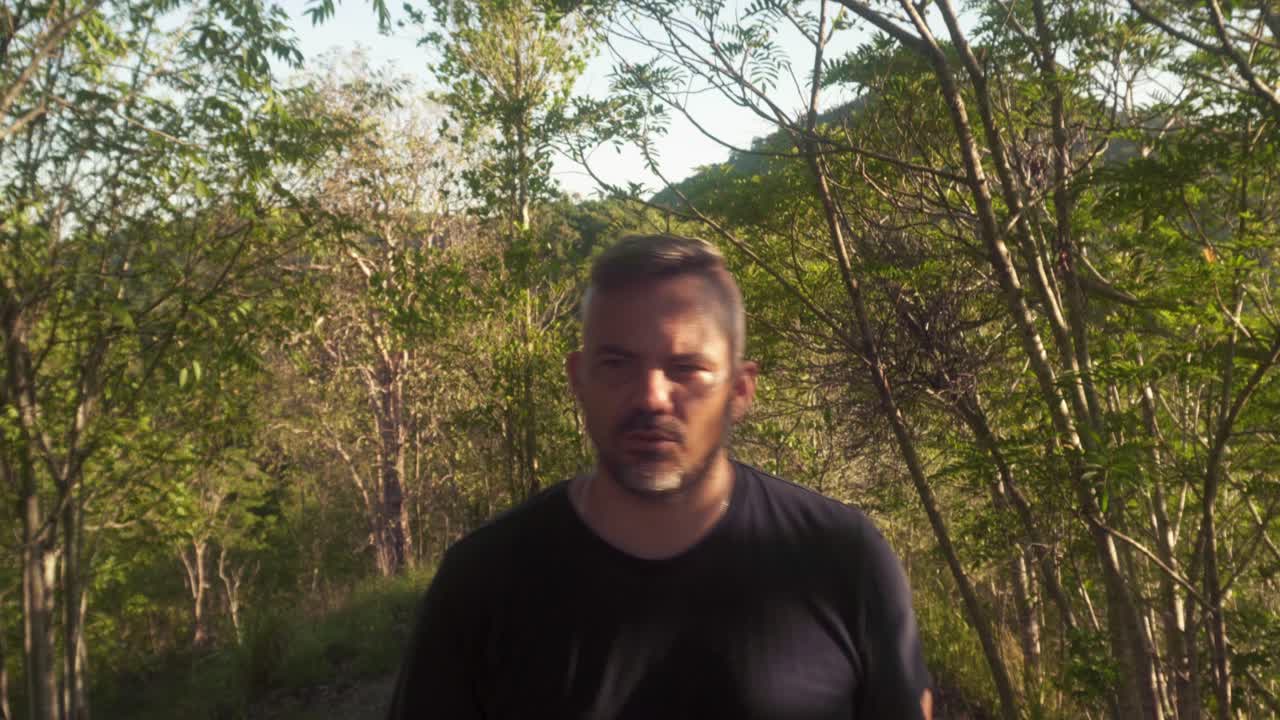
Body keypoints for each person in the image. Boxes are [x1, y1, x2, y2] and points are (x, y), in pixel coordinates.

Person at [387, 234, 932, 719]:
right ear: (579, 379)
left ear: (740, 390)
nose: (651, 396)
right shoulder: (482, 582)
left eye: (685, 369)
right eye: (618, 364)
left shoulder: (841, 559)